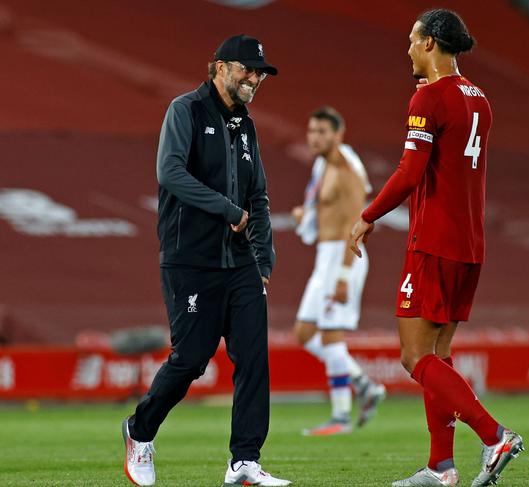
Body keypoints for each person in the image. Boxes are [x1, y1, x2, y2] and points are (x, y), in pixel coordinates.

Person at [350, 10, 524, 487]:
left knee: (413, 356)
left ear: (429, 43)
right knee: (439, 354)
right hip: (470, 243)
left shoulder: (428, 96)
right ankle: (441, 466)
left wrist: (367, 217)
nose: (406, 49)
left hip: (434, 240)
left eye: (411, 40)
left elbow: (409, 173)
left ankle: (493, 436)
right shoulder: (480, 98)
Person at [121, 34, 291, 487]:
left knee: (254, 358)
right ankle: (139, 432)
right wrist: (227, 210)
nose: (255, 77)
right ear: (218, 67)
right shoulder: (186, 110)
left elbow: (258, 194)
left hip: (240, 266)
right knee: (192, 358)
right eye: (247, 69)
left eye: (261, 72)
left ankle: (244, 462)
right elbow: (170, 172)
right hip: (189, 260)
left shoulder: (247, 125)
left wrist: (265, 259)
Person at [292, 107, 386, 436]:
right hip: (324, 256)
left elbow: (354, 224)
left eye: (322, 132)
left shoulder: (347, 171)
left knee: (331, 335)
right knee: (304, 332)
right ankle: (364, 384)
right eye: (311, 131)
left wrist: (344, 276)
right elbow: (326, 208)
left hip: (343, 258)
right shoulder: (323, 165)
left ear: (338, 135)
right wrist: (308, 212)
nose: (314, 137)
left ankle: (341, 417)